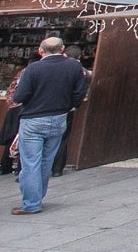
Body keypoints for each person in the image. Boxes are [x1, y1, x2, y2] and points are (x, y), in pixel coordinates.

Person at [10, 37, 89, 215]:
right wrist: (70, 106)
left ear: (40, 50)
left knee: (31, 162)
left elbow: (19, 96)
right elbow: (80, 91)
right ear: (62, 49)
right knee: (46, 161)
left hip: (33, 119)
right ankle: (37, 197)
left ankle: (31, 203)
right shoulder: (74, 67)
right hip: (59, 117)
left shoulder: (33, 69)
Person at [49, 45, 91, 177]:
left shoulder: (53, 67)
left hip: (45, 108)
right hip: (65, 109)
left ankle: (31, 171)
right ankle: (57, 169)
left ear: (64, 54)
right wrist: (73, 105)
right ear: (79, 56)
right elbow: (80, 91)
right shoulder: (81, 70)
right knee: (62, 138)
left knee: (42, 139)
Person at [0, 67, 26, 177]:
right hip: (27, 108)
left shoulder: (20, 73)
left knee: (12, 136)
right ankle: (20, 169)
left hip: (14, 108)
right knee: (26, 137)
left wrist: (13, 104)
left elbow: (11, 90)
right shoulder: (39, 70)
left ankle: (4, 166)